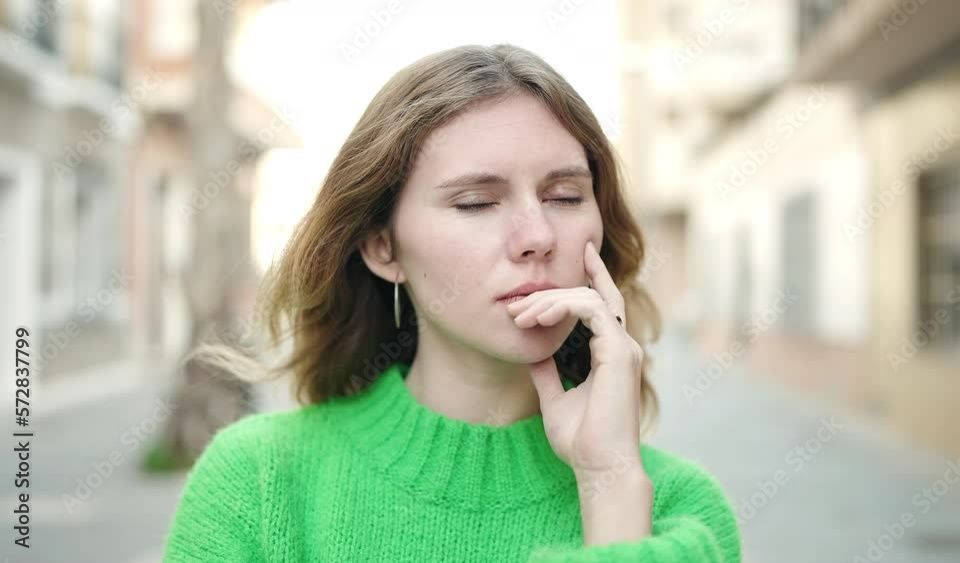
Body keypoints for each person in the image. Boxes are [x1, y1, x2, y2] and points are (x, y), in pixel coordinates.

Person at [162, 43, 741, 562]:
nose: (537, 235)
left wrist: (608, 486)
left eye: (565, 196)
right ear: (383, 246)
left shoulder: (679, 511)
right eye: (475, 203)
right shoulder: (259, 481)